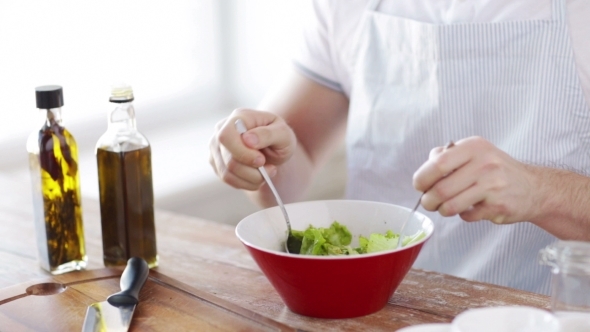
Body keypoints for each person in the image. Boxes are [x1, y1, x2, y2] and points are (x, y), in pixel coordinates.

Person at [209, 0, 590, 295]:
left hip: (541, 312)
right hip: (375, 312)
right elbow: (283, 178)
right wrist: (258, 156)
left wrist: (542, 192)